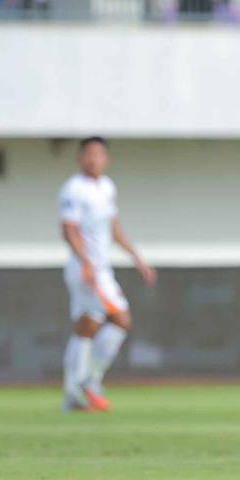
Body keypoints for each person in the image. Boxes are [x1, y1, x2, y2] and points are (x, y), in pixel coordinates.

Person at [58, 137, 156, 412]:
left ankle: (73, 393)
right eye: (88, 154)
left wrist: (137, 258)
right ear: (80, 158)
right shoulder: (73, 189)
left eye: (99, 154)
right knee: (121, 319)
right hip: (86, 268)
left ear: (107, 159)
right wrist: (86, 263)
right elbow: (68, 230)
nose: (93, 159)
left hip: (101, 269)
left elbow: (113, 228)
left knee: (86, 326)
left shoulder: (107, 187)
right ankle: (89, 382)